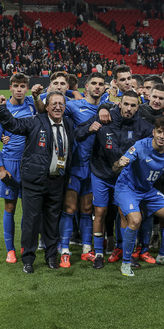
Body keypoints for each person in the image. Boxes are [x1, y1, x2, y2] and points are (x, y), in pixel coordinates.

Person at [0, 91, 74, 274]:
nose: (57, 107)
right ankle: (28, 259)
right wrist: (1, 108)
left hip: (56, 181)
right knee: (30, 221)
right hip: (34, 182)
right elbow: (12, 124)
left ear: (65, 107)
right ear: (46, 107)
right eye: (53, 104)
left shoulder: (68, 124)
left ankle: (51, 256)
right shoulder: (35, 121)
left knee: (53, 221)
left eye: (61, 104)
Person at [75, 90, 153, 269]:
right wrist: (89, 128)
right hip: (101, 173)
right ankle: (99, 254)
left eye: (133, 105)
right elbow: (78, 134)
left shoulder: (143, 126)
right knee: (100, 212)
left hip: (125, 177)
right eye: (126, 104)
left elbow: (158, 140)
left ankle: (126, 253)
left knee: (124, 213)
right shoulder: (104, 117)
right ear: (119, 103)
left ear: (137, 107)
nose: (129, 108)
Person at [114, 117, 164, 277]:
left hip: (147, 190)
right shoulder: (140, 147)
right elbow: (116, 167)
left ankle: (163, 255)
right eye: (159, 132)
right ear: (154, 132)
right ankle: (126, 263)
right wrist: (120, 163)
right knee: (135, 220)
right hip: (127, 188)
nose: (162, 136)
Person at [56, 72, 105, 268]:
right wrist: (69, 91)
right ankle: (64, 249)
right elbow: (51, 105)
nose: (97, 87)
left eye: (101, 84)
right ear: (87, 86)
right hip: (74, 165)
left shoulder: (107, 108)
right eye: (94, 83)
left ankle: (86, 249)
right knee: (69, 209)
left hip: (94, 168)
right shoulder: (75, 105)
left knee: (87, 210)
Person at [0, 73, 36, 263]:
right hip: (10, 163)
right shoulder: (2, 109)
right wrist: (1, 168)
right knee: (10, 207)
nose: (19, 89)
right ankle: (10, 249)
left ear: (27, 88)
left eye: (23, 86)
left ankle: (26, 245)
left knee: (29, 209)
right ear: (10, 87)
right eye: (16, 85)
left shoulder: (33, 106)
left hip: (30, 163)